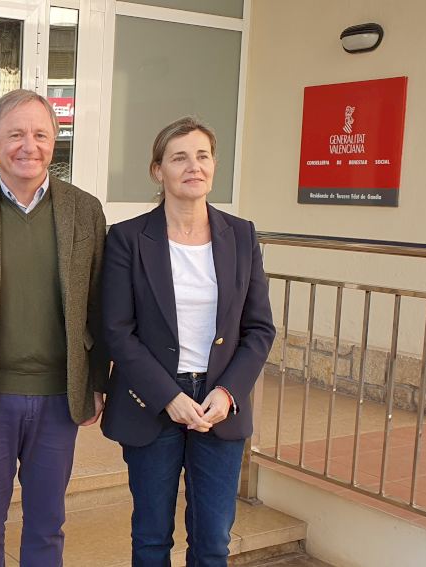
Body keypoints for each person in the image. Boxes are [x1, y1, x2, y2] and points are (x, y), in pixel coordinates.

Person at [0, 89, 109, 566]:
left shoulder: (85, 210)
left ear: (55, 141)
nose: (28, 146)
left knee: (47, 524)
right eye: (15, 134)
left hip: (58, 395)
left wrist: (97, 382)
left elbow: (99, 304)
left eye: (40, 134)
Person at [100, 116, 276, 566]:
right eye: (179, 157)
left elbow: (259, 328)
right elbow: (117, 330)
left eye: (202, 156)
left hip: (219, 406)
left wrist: (228, 391)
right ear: (157, 170)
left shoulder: (241, 235)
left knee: (213, 541)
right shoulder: (127, 238)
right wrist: (168, 396)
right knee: (151, 538)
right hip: (152, 404)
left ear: (213, 165)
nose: (193, 166)